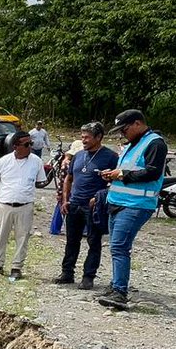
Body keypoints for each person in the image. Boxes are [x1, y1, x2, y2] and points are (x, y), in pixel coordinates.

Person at [97, 109, 168, 310]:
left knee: (119, 247)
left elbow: (152, 173)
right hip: (118, 201)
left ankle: (120, 292)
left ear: (137, 124)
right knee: (115, 246)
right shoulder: (132, 144)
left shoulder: (155, 143)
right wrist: (112, 175)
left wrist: (121, 175)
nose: (123, 133)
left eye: (125, 129)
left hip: (136, 205)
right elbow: (129, 170)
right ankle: (115, 285)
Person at [55, 123, 118, 289]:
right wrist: (65, 199)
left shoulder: (110, 157)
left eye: (87, 137)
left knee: (93, 241)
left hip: (94, 207)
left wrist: (101, 196)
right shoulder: (78, 155)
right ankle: (67, 273)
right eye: (82, 137)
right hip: (74, 204)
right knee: (71, 240)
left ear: (98, 137)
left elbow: (117, 182)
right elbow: (69, 178)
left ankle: (88, 276)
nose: (83, 140)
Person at [0, 131, 47, 281]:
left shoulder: (36, 161)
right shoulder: (3, 161)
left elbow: (40, 182)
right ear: (15, 146)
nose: (30, 147)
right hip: (5, 205)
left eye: (31, 143)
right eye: (26, 144)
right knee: (1, 235)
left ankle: (16, 267)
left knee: (22, 237)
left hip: (25, 206)